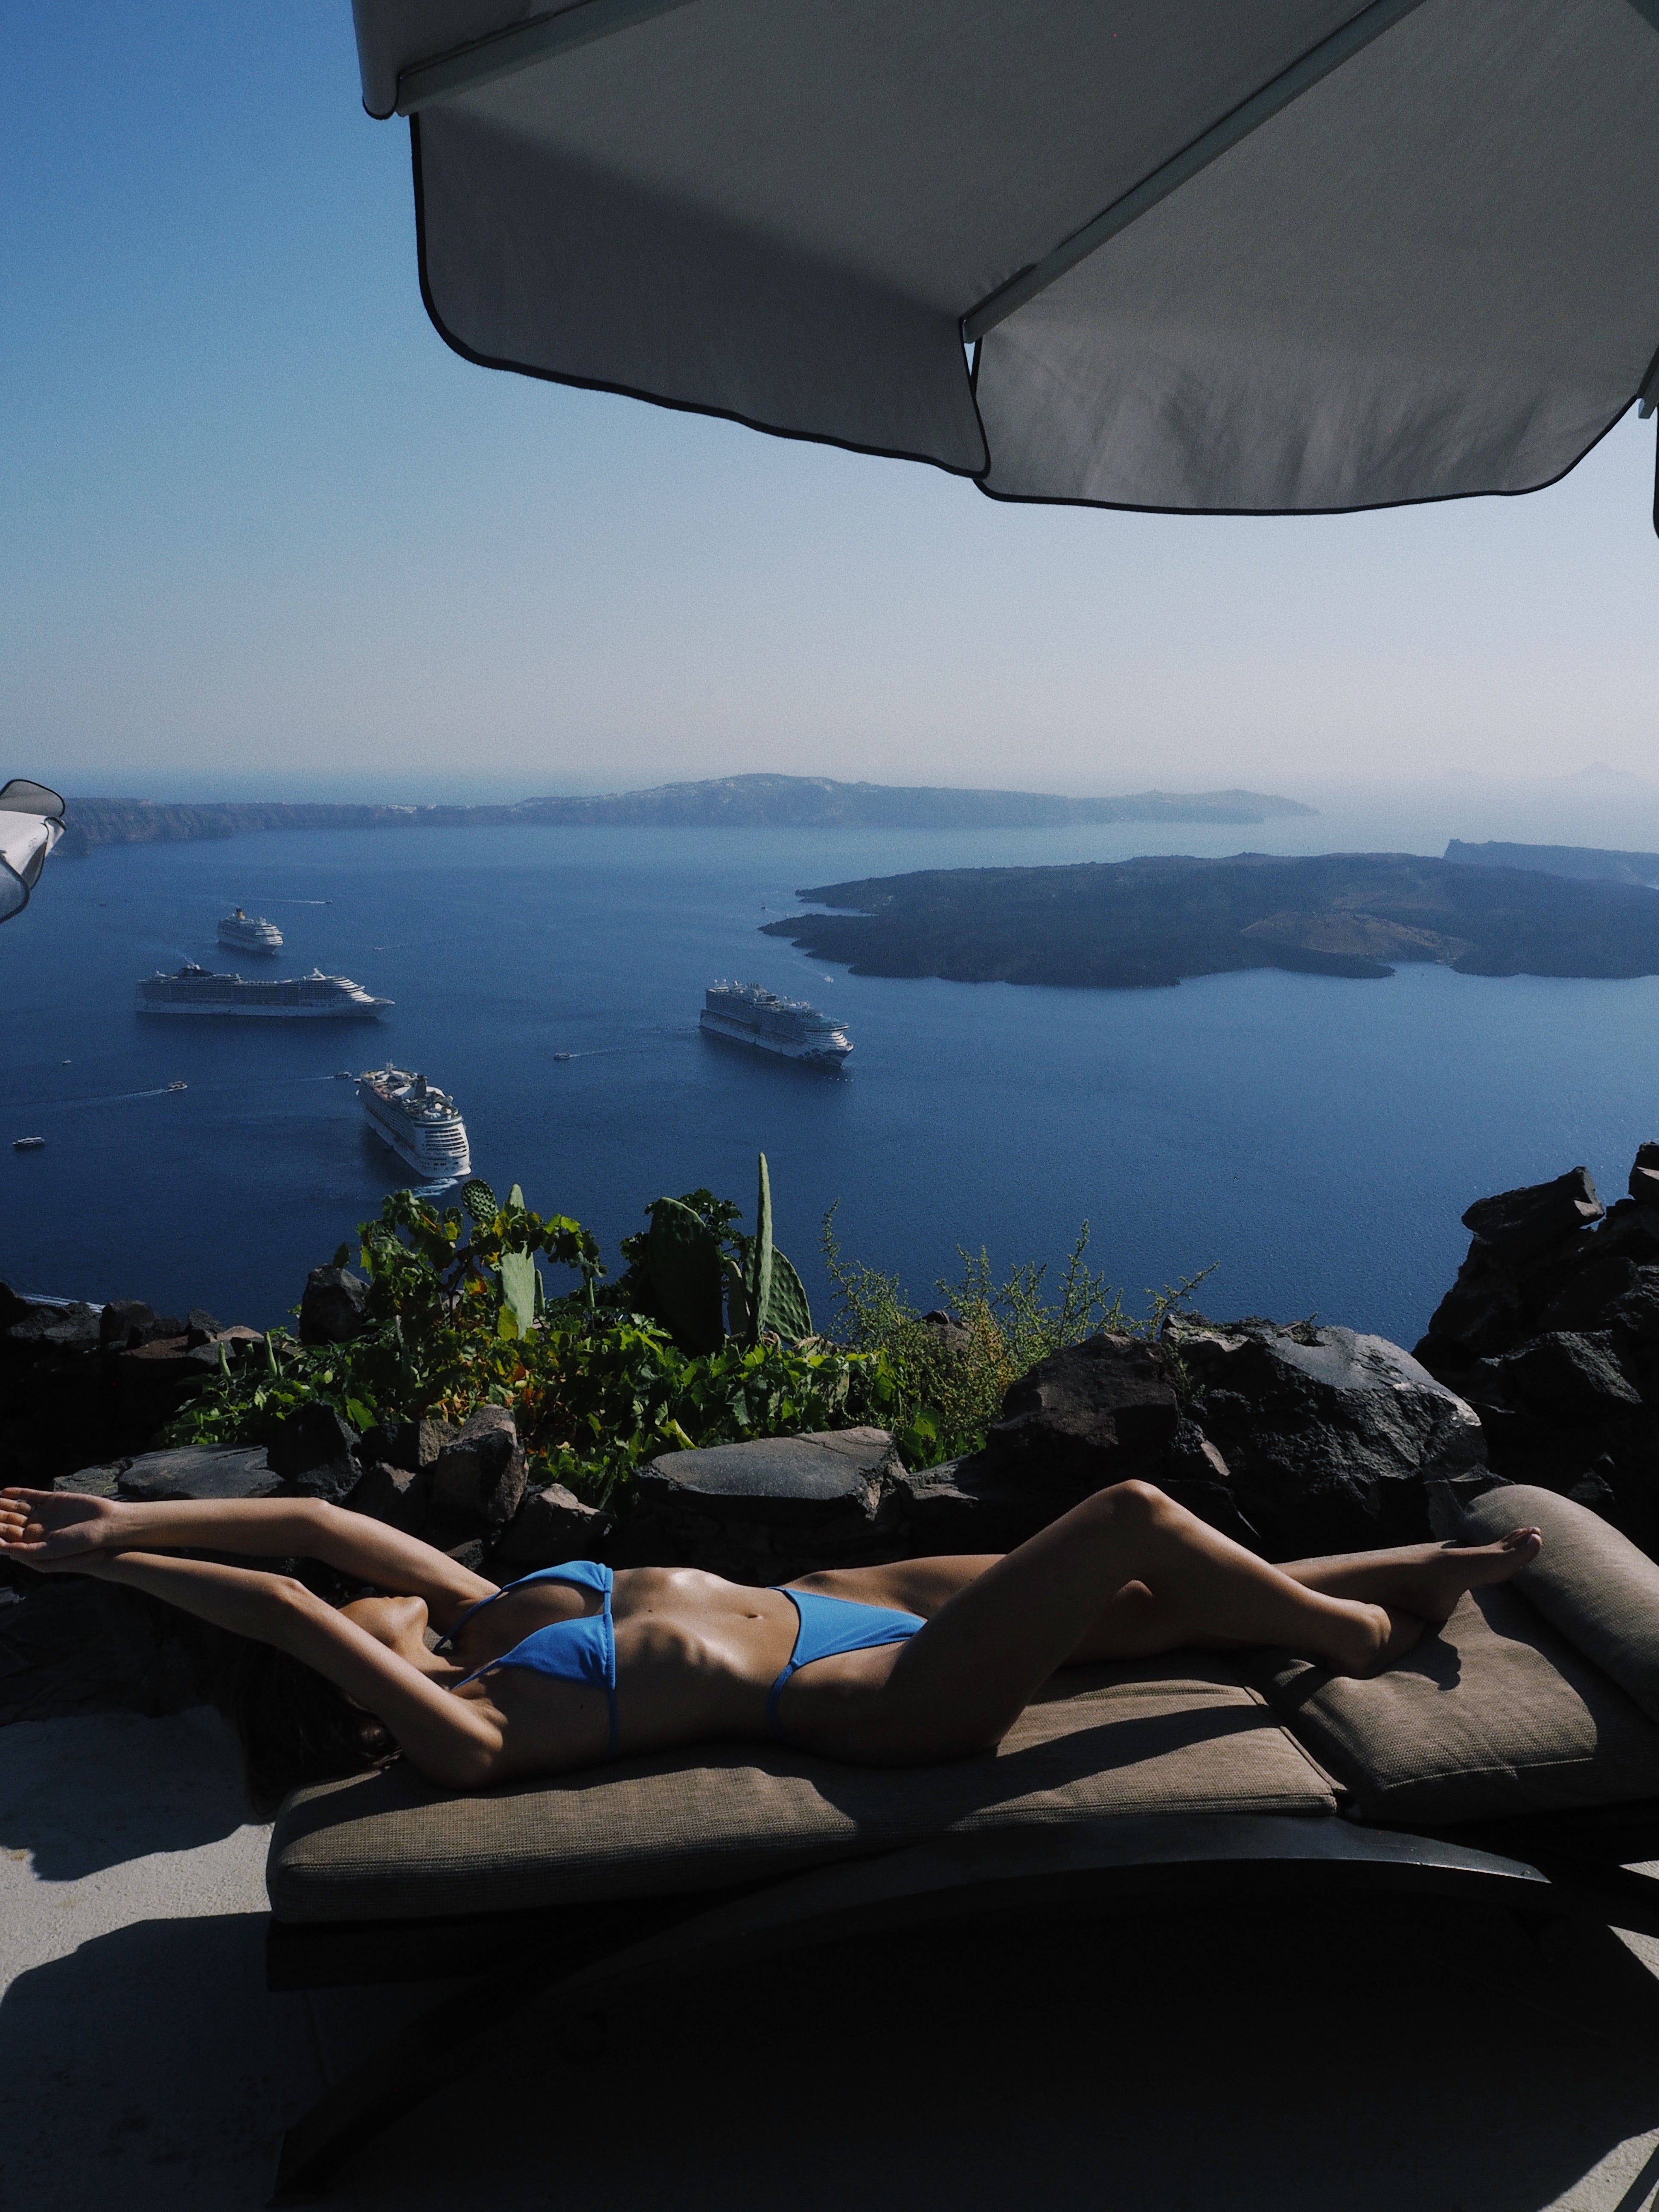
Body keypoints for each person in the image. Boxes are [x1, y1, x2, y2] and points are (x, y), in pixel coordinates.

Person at [0, 1479, 1543, 1810]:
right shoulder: (471, 1725)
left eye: (374, 1607)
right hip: (864, 1698)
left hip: (851, 1594)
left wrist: (129, 1510)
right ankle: (1353, 1633)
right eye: (367, 1634)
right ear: (363, 1694)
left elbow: (317, 1528)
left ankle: (1394, 1570)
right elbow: (283, 1601)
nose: (372, 1603)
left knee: (1148, 1604)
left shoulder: (475, 1612)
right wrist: (110, 1564)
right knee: (1133, 1520)